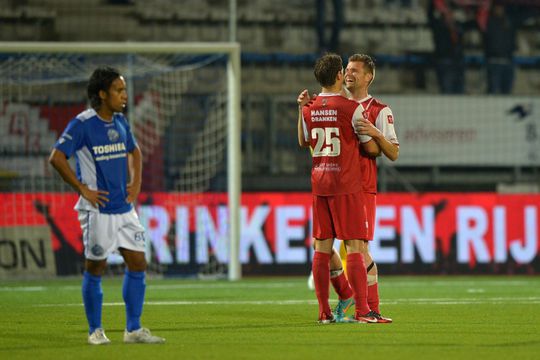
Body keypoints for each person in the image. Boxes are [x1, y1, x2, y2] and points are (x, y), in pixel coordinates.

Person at [49, 66, 165, 345]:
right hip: (98, 210)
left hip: (124, 209)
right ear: (102, 93)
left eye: (124, 90)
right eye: (119, 90)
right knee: (96, 267)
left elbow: (134, 151)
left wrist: (135, 184)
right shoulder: (82, 124)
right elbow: (56, 157)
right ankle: (95, 331)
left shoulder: (121, 122)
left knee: (138, 262)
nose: (124, 95)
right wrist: (82, 189)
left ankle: (133, 329)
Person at [299, 54, 399, 324]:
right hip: (343, 183)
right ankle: (351, 299)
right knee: (342, 247)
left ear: (369, 77)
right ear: (340, 76)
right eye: (347, 69)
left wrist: (376, 133)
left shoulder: (379, 110)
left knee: (355, 248)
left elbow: (392, 153)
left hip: (361, 187)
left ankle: (364, 306)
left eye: (356, 70)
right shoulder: (341, 106)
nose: (350, 73)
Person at [428, 0, 466, 94]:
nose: (450, 16)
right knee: (447, 92)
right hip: (445, 62)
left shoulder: (457, 27)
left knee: (459, 92)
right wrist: (433, 3)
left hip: (458, 62)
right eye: (447, 14)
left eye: (451, 13)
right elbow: (430, 16)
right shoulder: (438, 26)